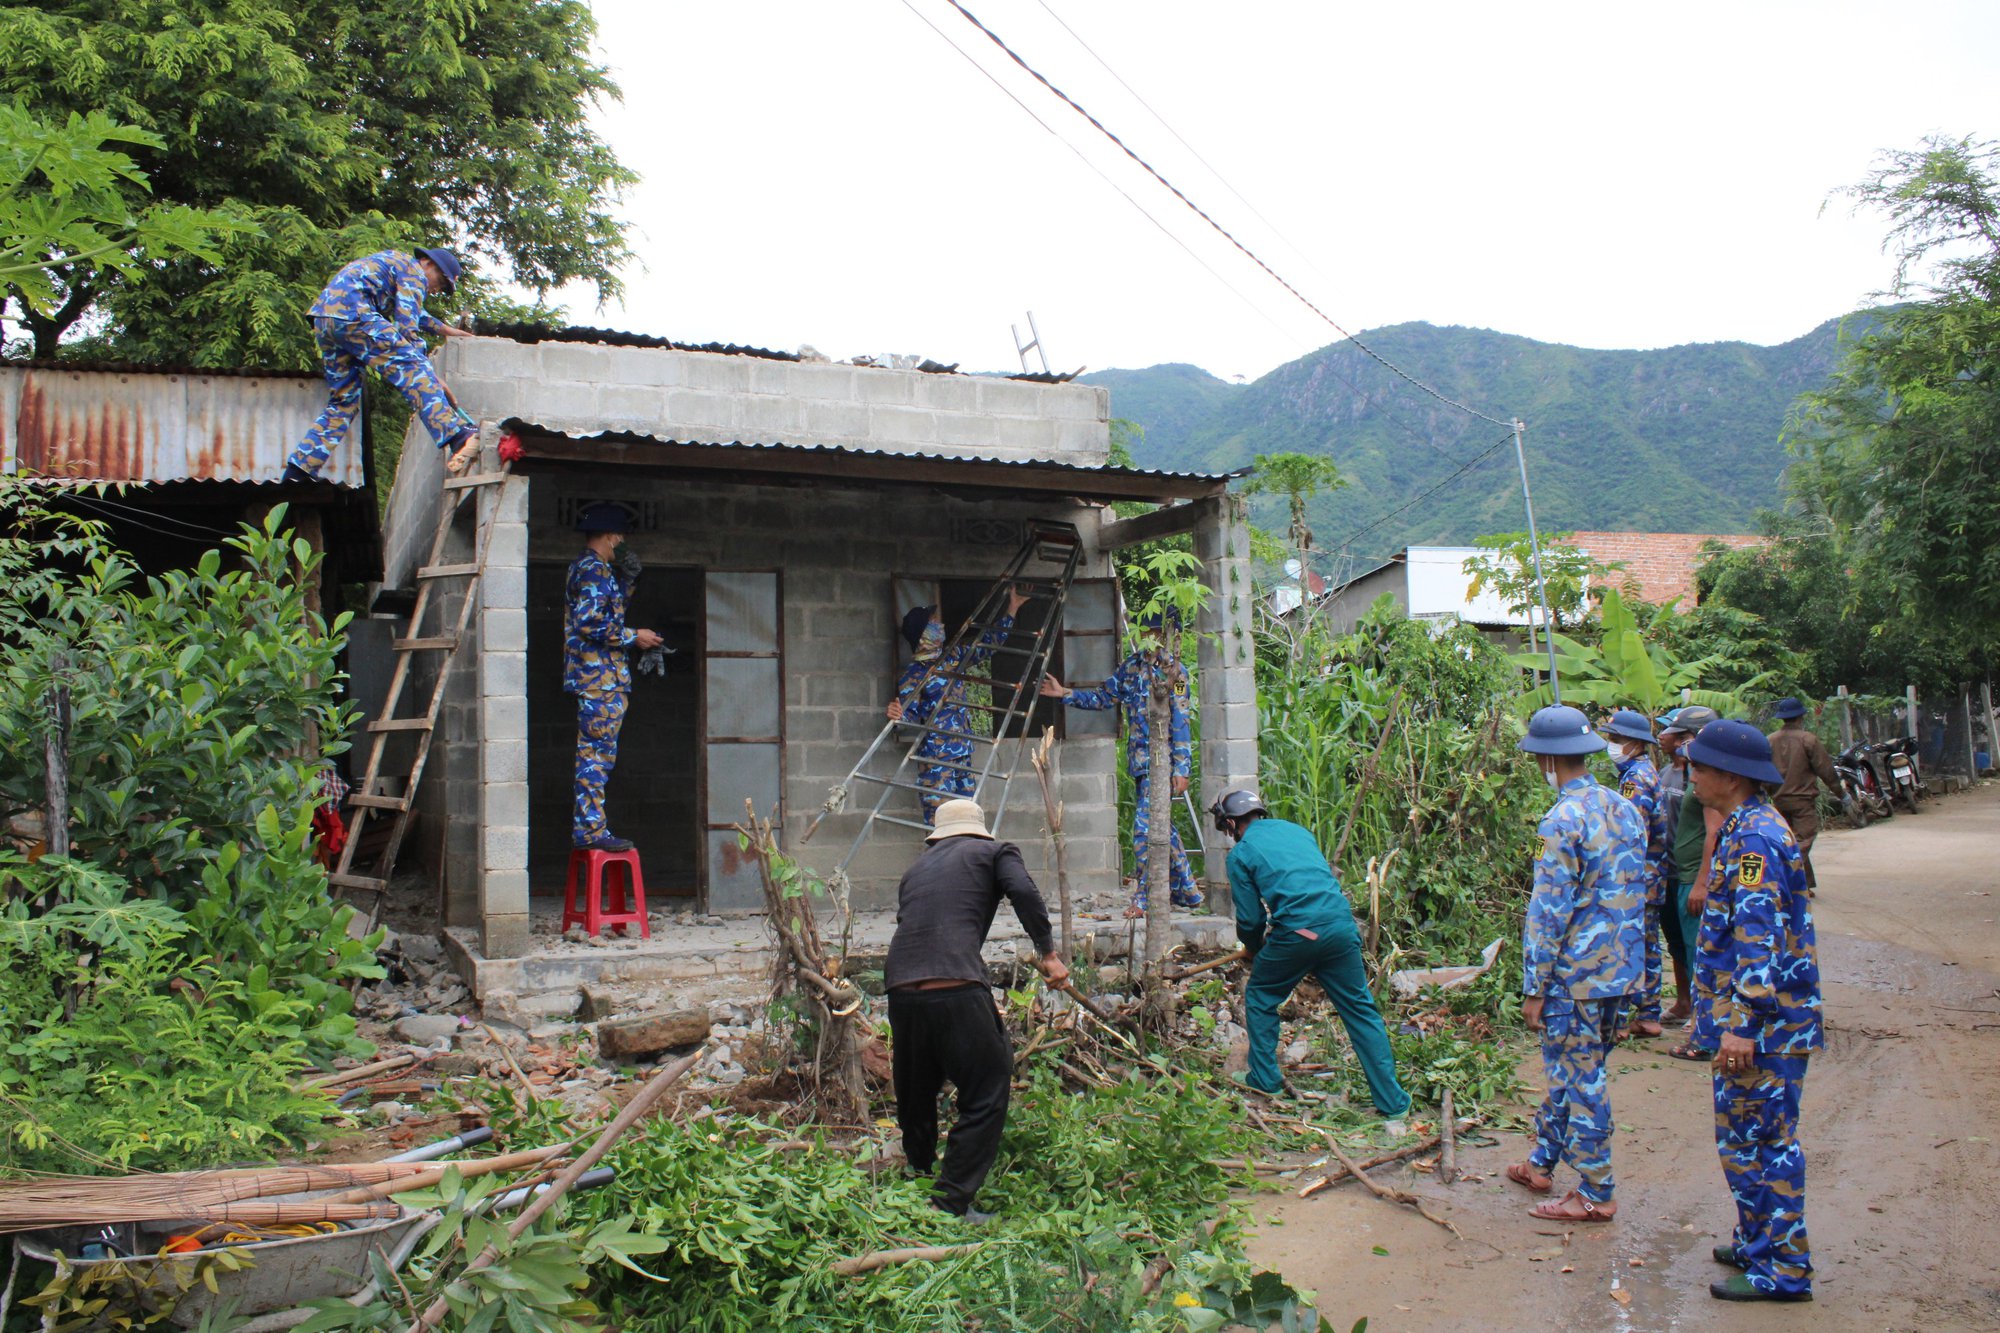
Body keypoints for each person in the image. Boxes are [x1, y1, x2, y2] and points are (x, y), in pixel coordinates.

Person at [1683, 719, 1821, 1303]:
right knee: (1745, 1140)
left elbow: (1757, 934)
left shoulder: (1756, 839)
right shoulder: (1747, 827)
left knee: (1762, 1146)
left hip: (1763, 1030)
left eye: (1700, 767)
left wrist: (1742, 1025)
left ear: (1729, 777)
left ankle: (1783, 1270)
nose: (1692, 776)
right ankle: (1756, 1240)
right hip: (1757, 1023)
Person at [884, 798, 1068, 1221]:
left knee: (917, 1091)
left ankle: (920, 1179)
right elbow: (1023, 890)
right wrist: (1049, 953)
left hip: (900, 988)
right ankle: (949, 1202)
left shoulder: (916, 869)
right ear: (979, 829)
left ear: (939, 836)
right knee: (987, 1086)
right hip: (956, 982)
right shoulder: (995, 851)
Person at [1506, 705, 1646, 1223]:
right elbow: (1636, 890)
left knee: (1582, 1080)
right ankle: (1542, 1162)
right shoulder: (1623, 808)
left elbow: (1547, 912)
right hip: (1621, 972)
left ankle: (1595, 1191)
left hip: (1576, 979)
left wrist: (1534, 986)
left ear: (1546, 758)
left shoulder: (1559, 821)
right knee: (1573, 1073)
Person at [1209, 789, 1411, 1116]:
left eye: (1225, 829)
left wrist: (1254, 949)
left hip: (1300, 932)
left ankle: (1264, 1077)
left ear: (1232, 823)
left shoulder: (1241, 854)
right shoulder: (1298, 832)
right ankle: (1394, 1103)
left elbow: (1250, 918)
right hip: (1342, 925)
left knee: (1261, 994)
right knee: (1361, 1011)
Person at [1039, 611, 1201, 913]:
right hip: (1141, 765)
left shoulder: (1177, 674)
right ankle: (1189, 893)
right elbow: (1104, 697)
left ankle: (1145, 899)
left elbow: (1182, 720)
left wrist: (1182, 767)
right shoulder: (1131, 667)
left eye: (1154, 631)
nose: (1148, 637)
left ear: (1165, 635)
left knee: (1144, 831)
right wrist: (1065, 693)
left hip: (1163, 765)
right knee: (1162, 828)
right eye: (1145, 631)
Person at [285, 247, 476, 483]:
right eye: (441, 282)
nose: (437, 290)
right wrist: (427, 371)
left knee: (344, 402)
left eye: (444, 289)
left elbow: (418, 313)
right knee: (414, 366)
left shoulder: (396, 265)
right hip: (354, 313)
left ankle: (299, 470)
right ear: (427, 262)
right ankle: (457, 435)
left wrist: (449, 331)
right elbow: (408, 325)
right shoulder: (413, 270)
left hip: (326, 320)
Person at [563, 504, 664, 852]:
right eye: (618, 536)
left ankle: (591, 827)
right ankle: (591, 831)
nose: (620, 542)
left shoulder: (598, 570)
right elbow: (589, 622)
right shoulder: (591, 569)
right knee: (595, 757)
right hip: (598, 679)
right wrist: (634, 636)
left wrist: (628, 581)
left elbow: (607, 609)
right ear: (607, 535)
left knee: (598, 757)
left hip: (604, 678)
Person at [885, 586, 1030, 825]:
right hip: (937, 759)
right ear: (923, 635)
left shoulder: (952, 658)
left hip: (963, 753)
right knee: (939, 823)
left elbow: (988, 643)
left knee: (967, 819)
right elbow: (906, 718)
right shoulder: (914, 675)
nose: (939, 624)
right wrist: (895, 714)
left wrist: (1012, 609)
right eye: (932, 622)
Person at [1658, 706, 1724, 1060]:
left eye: (1685, 737)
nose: (1680, 744)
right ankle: (1695, 1015)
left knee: (1700, 954)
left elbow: (1713, 833)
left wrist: (1701, 883)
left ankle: (1706, 1030)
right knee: (1684, 950)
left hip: (1690, 879)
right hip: (1676, 874)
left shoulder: (1710, 782)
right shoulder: (1679, 774)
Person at [1603, 708, 1672, 1038]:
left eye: (1616, 740)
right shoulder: (1642, 772)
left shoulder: (1636, 780)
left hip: (1638, 881)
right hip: (1649, 879)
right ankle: (1647, 1013)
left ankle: (1625, 1019)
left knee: (1628, 946)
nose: (1610, 745)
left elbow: (1631, 834)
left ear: (1634, 743)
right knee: (1645, 945)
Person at [1766, 698, 1839, 888]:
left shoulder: (1770, 740)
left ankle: (1804, 885)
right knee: (1802, 842)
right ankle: (1782, 879)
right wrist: (1842, 794)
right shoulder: (1808, 739)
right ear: (1801, 716)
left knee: (1790, 840)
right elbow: (1826, 770)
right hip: (1802, 801)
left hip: (1779, 799)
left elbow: (1764, 771)